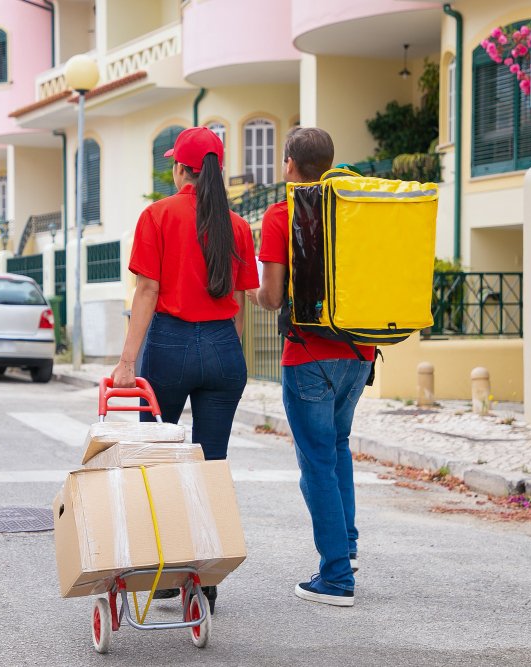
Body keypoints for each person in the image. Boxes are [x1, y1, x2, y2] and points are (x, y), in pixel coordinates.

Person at [110, 126, 260, 610]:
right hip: (222, 349)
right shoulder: (237, 226)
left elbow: (147, 292)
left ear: (181, 169)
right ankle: (206, 580)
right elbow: (239, 302)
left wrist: (127, 361)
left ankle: (167, 572)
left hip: (169, 347)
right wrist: (222, 353)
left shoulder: (157, 216)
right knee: (211, 465)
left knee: (158, 466)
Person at [251, 127, 375, 607]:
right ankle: (347, 547)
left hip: (309, 356)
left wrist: (252, 292)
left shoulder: (283, 215)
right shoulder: (355, 208)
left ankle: (336, 578)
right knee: (338, 447)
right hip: (360, 354)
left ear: (289, 164)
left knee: (317, 463)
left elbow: (273, 296)